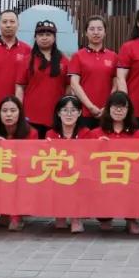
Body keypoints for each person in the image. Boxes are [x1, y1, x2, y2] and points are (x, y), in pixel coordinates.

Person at [89, 91, 139, 235]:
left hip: (129, 178)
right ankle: (105, 217)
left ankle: (131, 219)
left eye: (123, 107)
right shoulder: (96, 133)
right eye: (115, 107)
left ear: (128, 110)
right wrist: (96, 145)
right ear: (108, 109)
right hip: (105, 178)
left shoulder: (137, 133)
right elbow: (87, 159)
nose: (119, 110)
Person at [41, 95, 88, 233]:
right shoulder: (50, 133)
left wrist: (102, 143)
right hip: (58, 174)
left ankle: (75, 217)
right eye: (65, 110)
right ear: (58, 113)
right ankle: (60, 213)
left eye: (73, 110)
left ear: (79, 113)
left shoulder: (86, 133)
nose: (69, 114)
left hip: (79, 174)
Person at [0, 94, 35, 232]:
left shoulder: (31, 132)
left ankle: (16, 216)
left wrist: (8, 148)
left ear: (20, 113)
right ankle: (4, 211)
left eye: (13, 111)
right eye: (4, 111)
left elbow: (30, 159)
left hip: (22, 172)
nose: (8, 114)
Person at [19, 20, 69, 138]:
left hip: (56, 115)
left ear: (54, 37)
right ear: (35, 38)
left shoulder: (64, 60)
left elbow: (69, 86)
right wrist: (19, 111)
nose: (44, 38)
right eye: (41, 35)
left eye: (48, 34)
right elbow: (20, 87)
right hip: (31, 115)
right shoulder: (27, 60)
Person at [68, 15, 118, 131]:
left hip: (108, 112)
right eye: (92, 29)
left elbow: (116, 84)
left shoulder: (113, 56)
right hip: (84, 112)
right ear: (86, 33)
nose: (96, 32)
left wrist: (107, 106)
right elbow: (74, 84)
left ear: (105, 32)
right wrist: (90, 107)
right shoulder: (78, 56)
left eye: (100, 29)